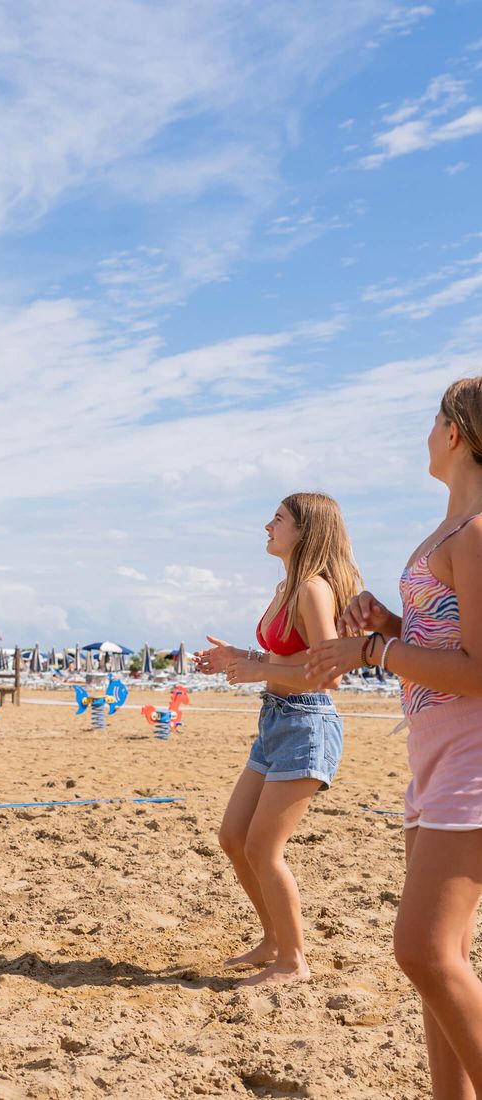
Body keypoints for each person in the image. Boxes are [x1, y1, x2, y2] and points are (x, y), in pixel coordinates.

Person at [305, 378, 482, 1100]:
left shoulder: (474, 534)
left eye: (431, 418)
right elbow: (447, 644)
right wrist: (387, 629)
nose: (425, 432)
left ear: (454, 433)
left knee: (423, 952)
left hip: (470, 762)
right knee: (444, 962)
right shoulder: (447, 531)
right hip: (435, 754)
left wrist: (370, 655)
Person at [194, 492, 361, 986]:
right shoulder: (287, 585)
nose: (268, 525)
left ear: (304, 531)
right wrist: (240, 657)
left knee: (264, 850)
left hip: (307, 723)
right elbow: (282, 661)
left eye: (279, 519)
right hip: (275, 720)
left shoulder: (313, 588)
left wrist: (255, 668)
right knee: (233, 837)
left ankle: (294, 962)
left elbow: (328, 674)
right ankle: (273, 939)